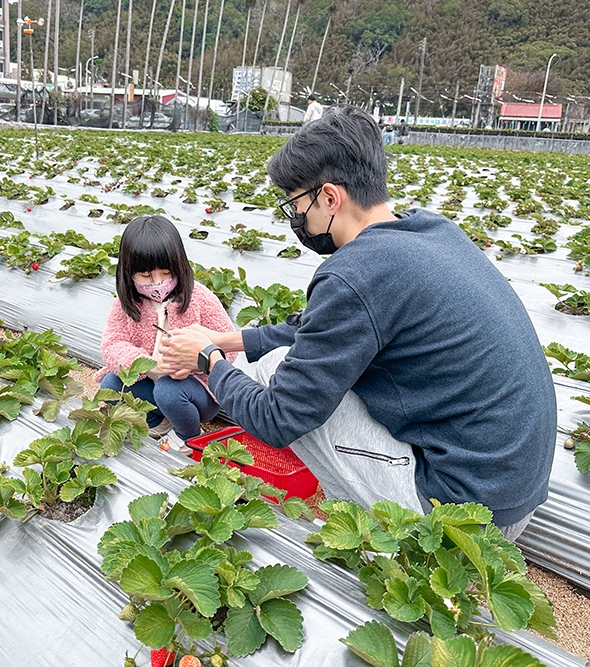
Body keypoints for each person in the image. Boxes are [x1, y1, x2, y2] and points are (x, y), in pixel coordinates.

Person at [161, 106, 556, 540]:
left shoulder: (356, 273)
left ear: (329, 198)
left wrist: (211, 361)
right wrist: (226, 338)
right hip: (512, 492)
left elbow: (278, 418)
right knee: (298, 365)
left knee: (285, 383)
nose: (297, 221)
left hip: (461, 519)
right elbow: (317, 331)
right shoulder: (432, 231)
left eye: (296, 205)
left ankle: (375, 538)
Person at [95, 215, 238, 453]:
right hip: (149, 385)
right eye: (146, 276)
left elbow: (228, 345)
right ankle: (158, 422)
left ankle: (191, 439)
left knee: (169, 391)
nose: (157, 282)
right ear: (128, 273)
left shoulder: (199, 298)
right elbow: (112, 345)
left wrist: (195, 363)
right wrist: (147, 364)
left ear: (178, 265)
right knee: (111, 385)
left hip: (195, 391)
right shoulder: (126, 304)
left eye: (165, 272)